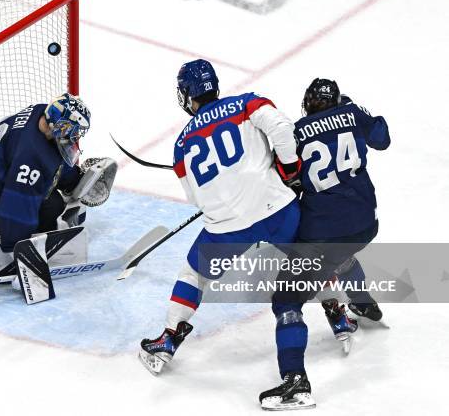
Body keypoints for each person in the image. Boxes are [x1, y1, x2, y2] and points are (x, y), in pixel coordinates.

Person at [138, 59, 302, 375]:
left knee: (193, 274)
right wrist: (289, 167)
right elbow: (282, 128)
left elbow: (194, 198)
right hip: (277, 208)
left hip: (228, 230)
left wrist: (222, 204)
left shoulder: (181, 145)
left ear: (186, 94)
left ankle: (169, 339)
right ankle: (338, 312)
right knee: (309, 258)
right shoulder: (246, 103)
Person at [259, 78, 390, 410]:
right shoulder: (352, 112)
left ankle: (294, 380)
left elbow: (284, 181)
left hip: (324, 231)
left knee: (286, 297)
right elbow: (382, 138)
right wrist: (356, 111)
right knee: (338, 253)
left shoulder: (298, 133)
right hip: (365, 223)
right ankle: (362, 302)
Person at [0, 93, 91, 253]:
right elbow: (16, 208)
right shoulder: (31, 156)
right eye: (72, 130)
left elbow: (53, 154)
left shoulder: (41, 113)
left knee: (53, 205)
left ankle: (36, 245)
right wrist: (21, 249)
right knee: (21, 231)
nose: (75, 136)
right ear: (59, 125)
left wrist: (74, 181)